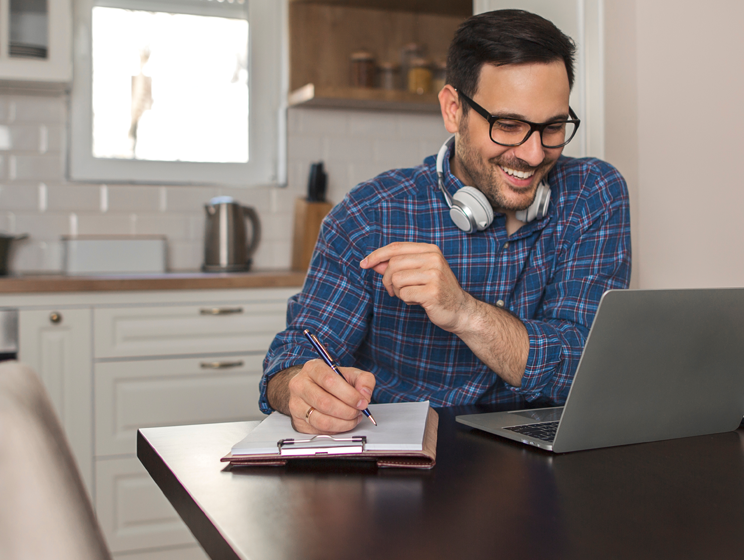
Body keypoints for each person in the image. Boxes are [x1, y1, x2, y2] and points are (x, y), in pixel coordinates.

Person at [260, 9, 631, 434]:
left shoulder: (593, 194)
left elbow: (583, 371)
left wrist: (465, 312)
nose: (532, 154)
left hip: (540, 467)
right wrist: (300, 389)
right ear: (454, 110)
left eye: (552, 127)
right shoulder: (370, 215)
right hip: (404, 468)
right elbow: (290, 360)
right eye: (508, 126)